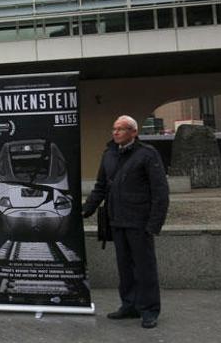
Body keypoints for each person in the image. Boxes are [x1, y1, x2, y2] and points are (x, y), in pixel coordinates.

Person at [82, 115, 169, 329]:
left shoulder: (147, 154)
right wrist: (85, 211)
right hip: (117, 221)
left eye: (121, 129)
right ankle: (129, 305)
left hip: (139, 222)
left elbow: (160, 192)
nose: (116, 132)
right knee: (125, 268)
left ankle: (149, 310)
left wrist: (154, 224)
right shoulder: (109, 154)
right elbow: (101, 187)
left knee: (144, 268)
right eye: (114, 128)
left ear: (133, 132)